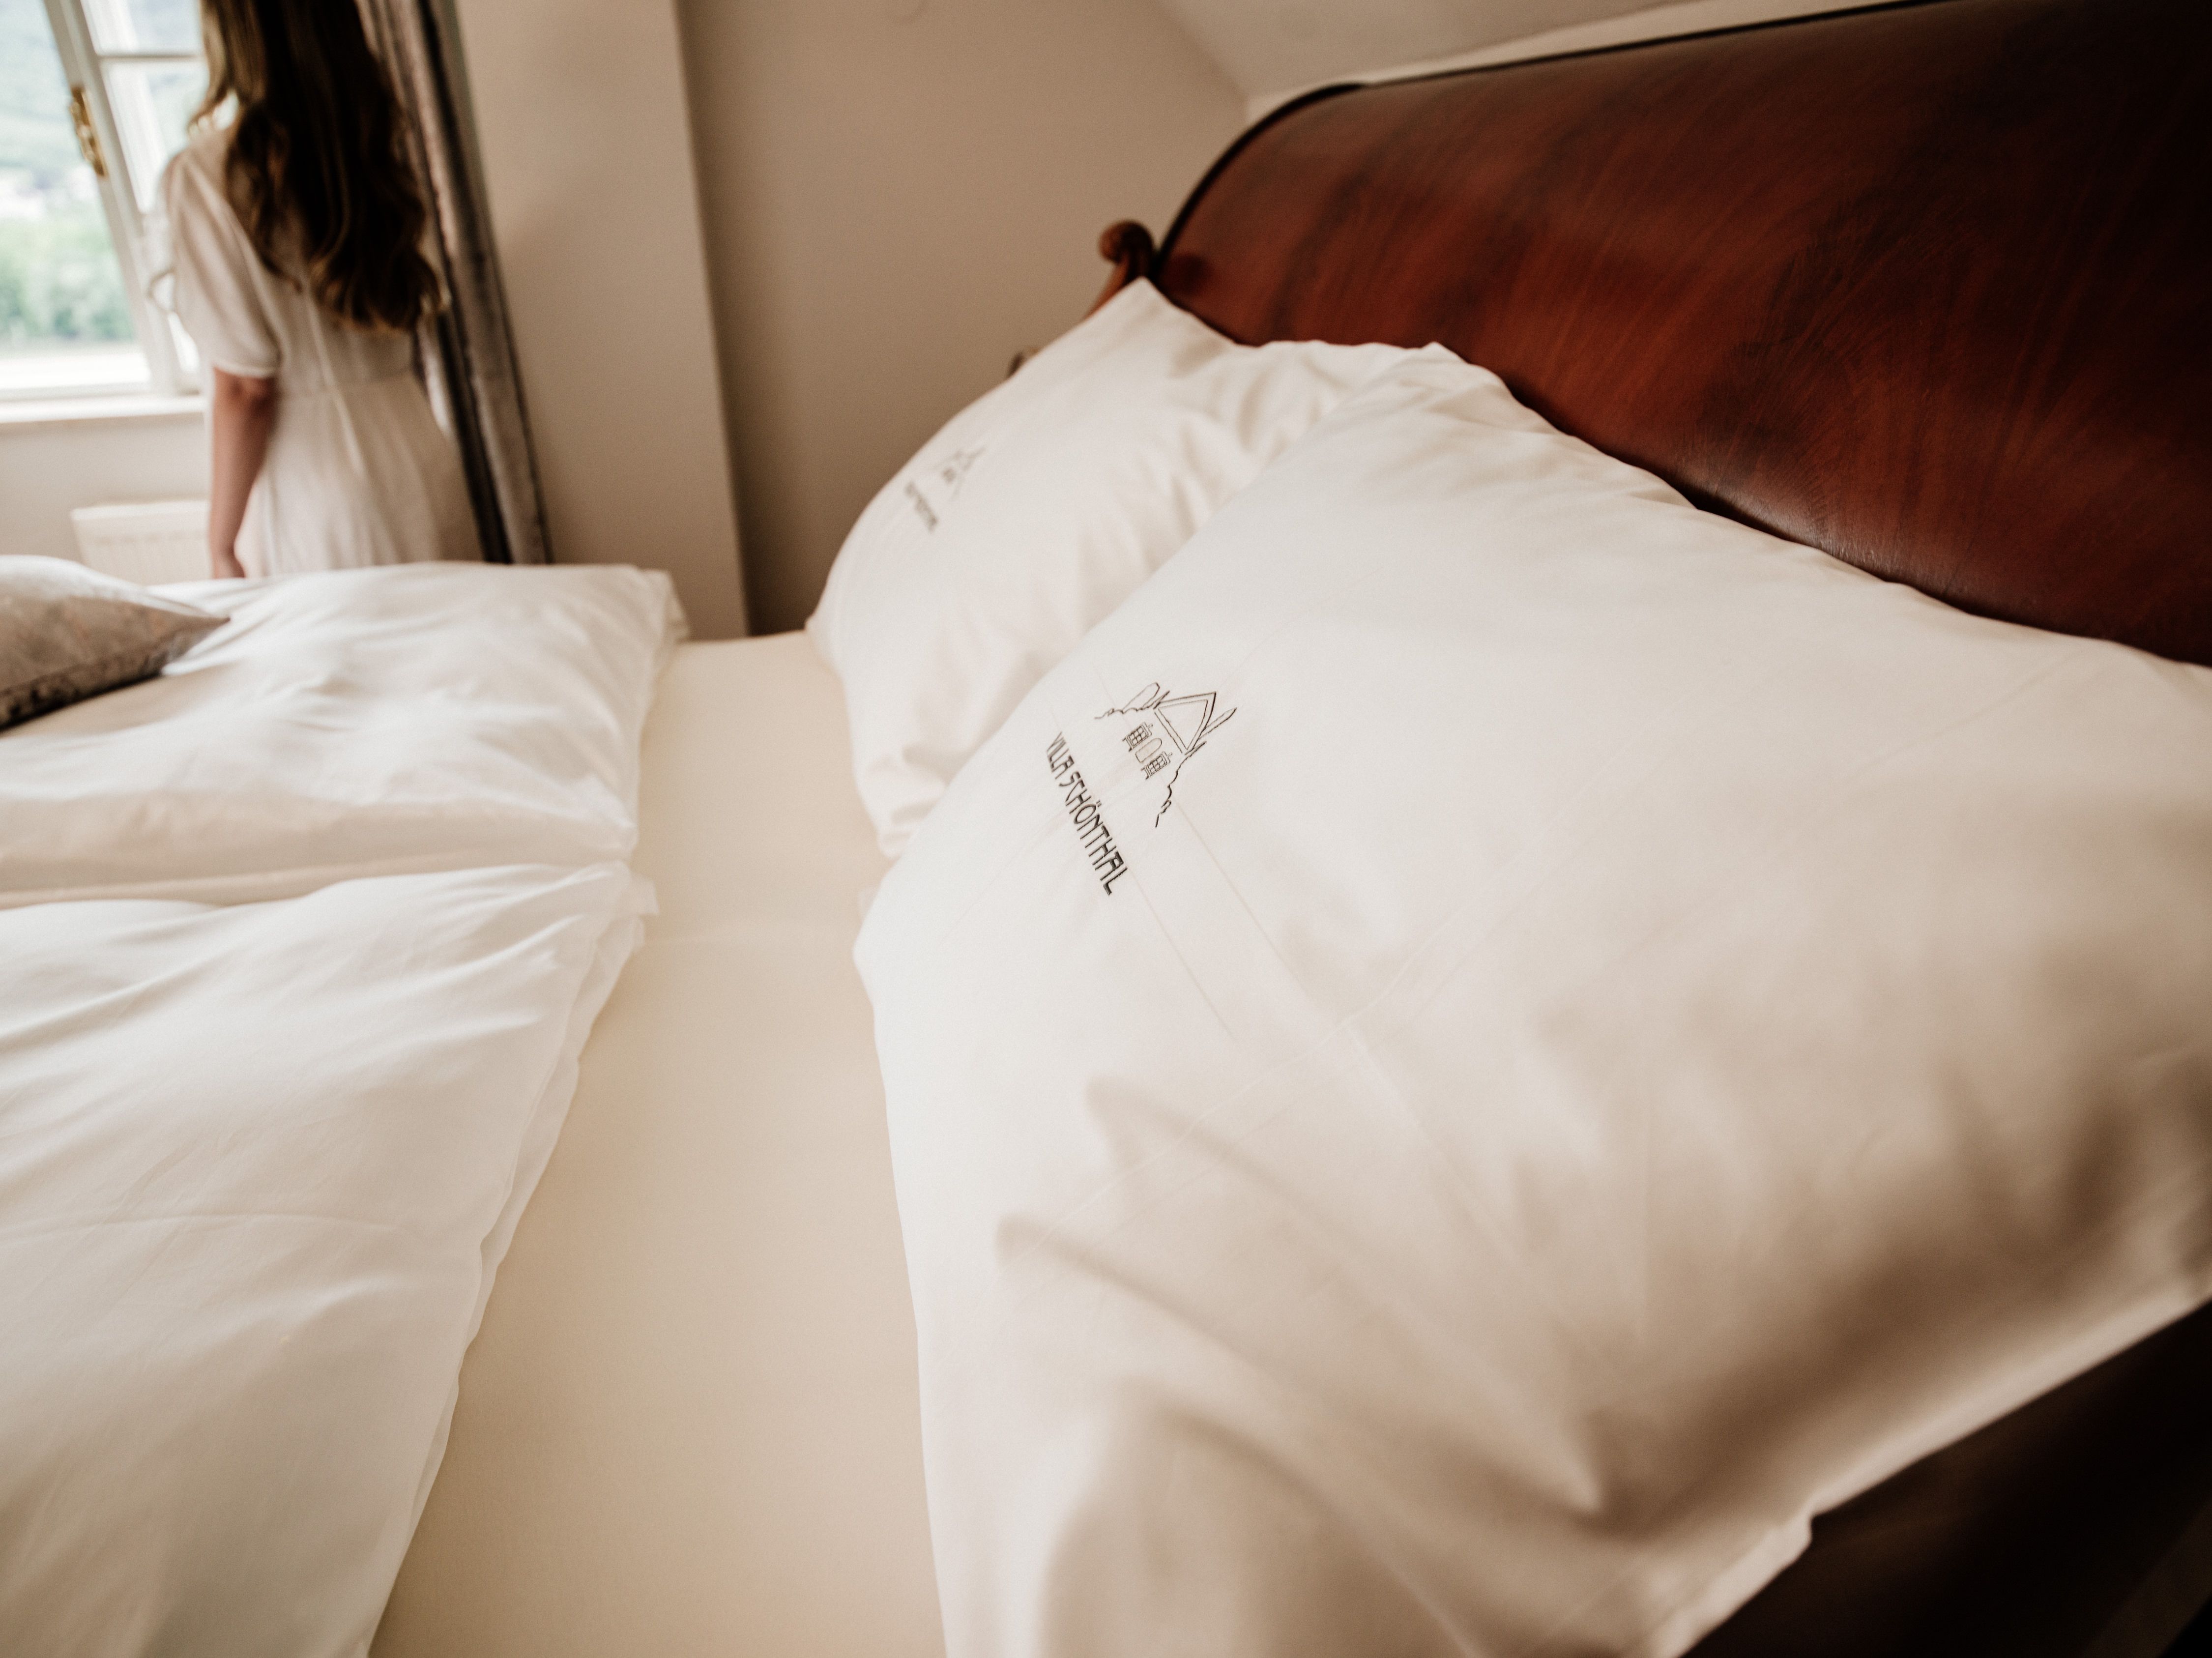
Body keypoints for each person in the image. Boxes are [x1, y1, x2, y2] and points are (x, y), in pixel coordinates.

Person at [160, 0, 475, 579]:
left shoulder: (208, 175)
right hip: (419, 456)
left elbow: (247, 389)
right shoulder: (382, 154)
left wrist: (220, 543)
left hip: (319, 488)